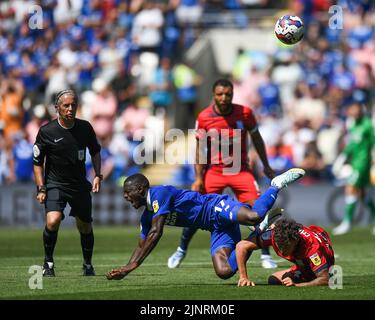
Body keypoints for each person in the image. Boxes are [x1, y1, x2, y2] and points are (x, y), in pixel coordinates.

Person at [106, 168, 305, 281]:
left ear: (140, 189)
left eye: (127, 192)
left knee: (254, 216)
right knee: (224, 272)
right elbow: (142, 244)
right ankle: (258, 234)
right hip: (215, 227)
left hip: (216, 207)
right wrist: (126, 268)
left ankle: (275, 185)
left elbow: (156, 233)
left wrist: (132, 266)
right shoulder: (146, 217)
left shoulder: (158, 194)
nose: (125, 196)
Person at [168, 79, 278, 270]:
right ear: (214, 95)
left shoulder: (245, 113)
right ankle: (181, 249)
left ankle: (265, 255)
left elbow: (257, 139)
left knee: (258, 212)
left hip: (240, 171)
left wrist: (266, 165)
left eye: (228, 94)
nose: (224, 98)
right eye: (220, 94)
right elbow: (200, 149)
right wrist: (198, 177)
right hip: (215, 172)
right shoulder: (204, 117)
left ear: (233, 94)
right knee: (197, 212)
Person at [33, 89, 103, 277]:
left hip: (79, 185)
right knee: (53, 220)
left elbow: (95, 151)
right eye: (66, 105)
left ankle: (88, 265)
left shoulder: (85, 128)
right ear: (57, 108)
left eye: (73, 105)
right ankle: (48, 264)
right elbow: (37, 163)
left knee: (85, 226)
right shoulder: (47, 132)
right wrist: (41, 187)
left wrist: (98, 174)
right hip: (55, 184)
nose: (70, 108)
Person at [236, 218, 335, 287]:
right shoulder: (274, 235)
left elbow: (326, 279)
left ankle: (306, 274)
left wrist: (298, 285)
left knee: (316, 277)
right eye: (280, 246)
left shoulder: (312, 248)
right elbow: (241, 246)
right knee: (273, 279)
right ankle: (300, 271)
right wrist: (243, 277)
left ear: (295, 241)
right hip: (304, 261)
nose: (282, 251)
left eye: (286, 247)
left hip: (322, 262)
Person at [332, 101, 375, 235]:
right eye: (352, 109)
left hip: (363, 163)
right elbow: (351, 145)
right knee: (362, 194)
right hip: (355, 161)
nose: (354, 112)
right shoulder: (353, 125)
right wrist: (342, 157)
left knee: (350, 187)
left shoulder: (367, 125)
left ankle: (347, 222)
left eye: (356, 109)